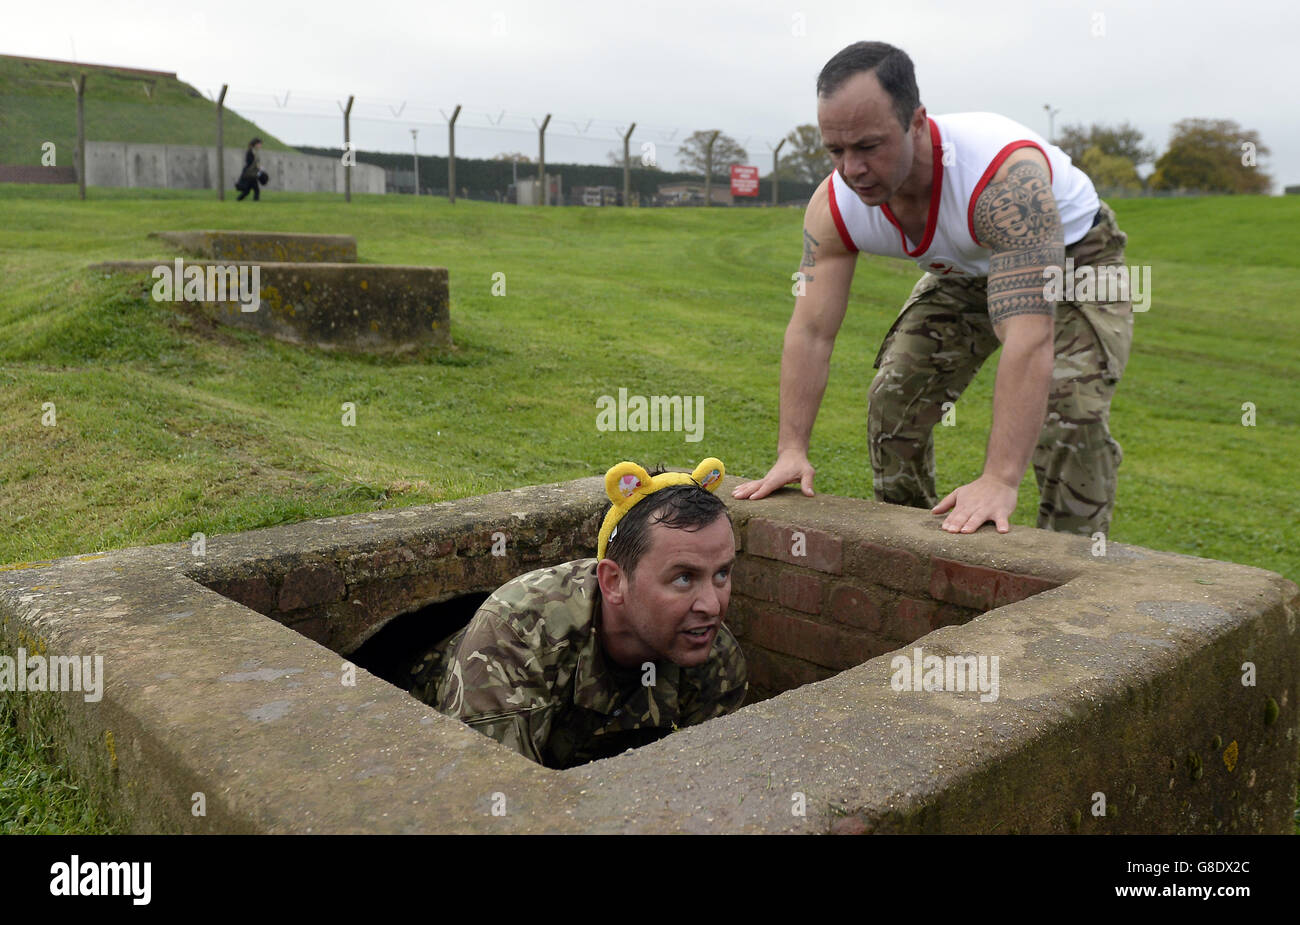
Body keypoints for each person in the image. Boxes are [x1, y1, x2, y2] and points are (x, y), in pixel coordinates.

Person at [734, 42, 1134, 539]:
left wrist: (998, 478)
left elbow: (1028, 340)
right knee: (896, 396)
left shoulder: (1005, 182)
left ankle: (1073, 571)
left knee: (1072, 411)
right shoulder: (836, 205)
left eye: (869, 146)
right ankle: (916, 549)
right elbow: (812, 331)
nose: (851, 169)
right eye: (836, 150)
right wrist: (791, 450)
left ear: (917, 122)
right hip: (964, 269)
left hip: (1076, 260)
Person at [407, 458, 747, 769]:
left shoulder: (715, 655)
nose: (712, 606)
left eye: (721, 574)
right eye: (684, 578)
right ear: (613, 582)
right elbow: (493, 793)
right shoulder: (514, 638)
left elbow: (702, 784)